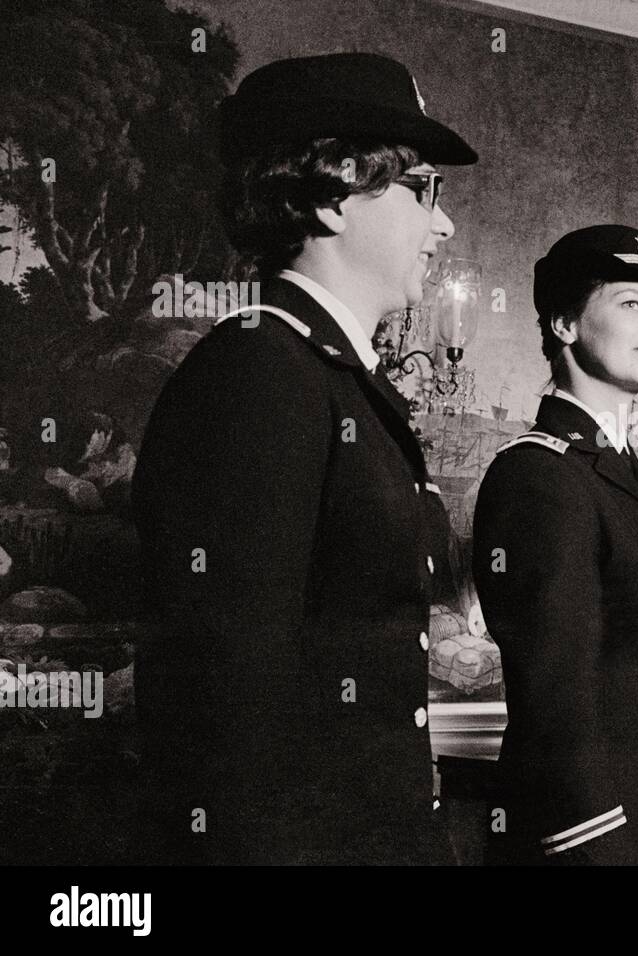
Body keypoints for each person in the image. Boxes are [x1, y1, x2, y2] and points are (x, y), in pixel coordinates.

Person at [132, 53, 476, 864]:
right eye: (422, 188)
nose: (444, 224)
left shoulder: (328, 378)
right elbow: (223, 707)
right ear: (330, 197)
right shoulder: (260, 374)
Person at [472, 225, 638, 865]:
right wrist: (592, 842)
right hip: (594, 839)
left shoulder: (613, 469)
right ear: (565, 324)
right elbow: (553, 687)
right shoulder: (538, 474)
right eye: (632, 303)